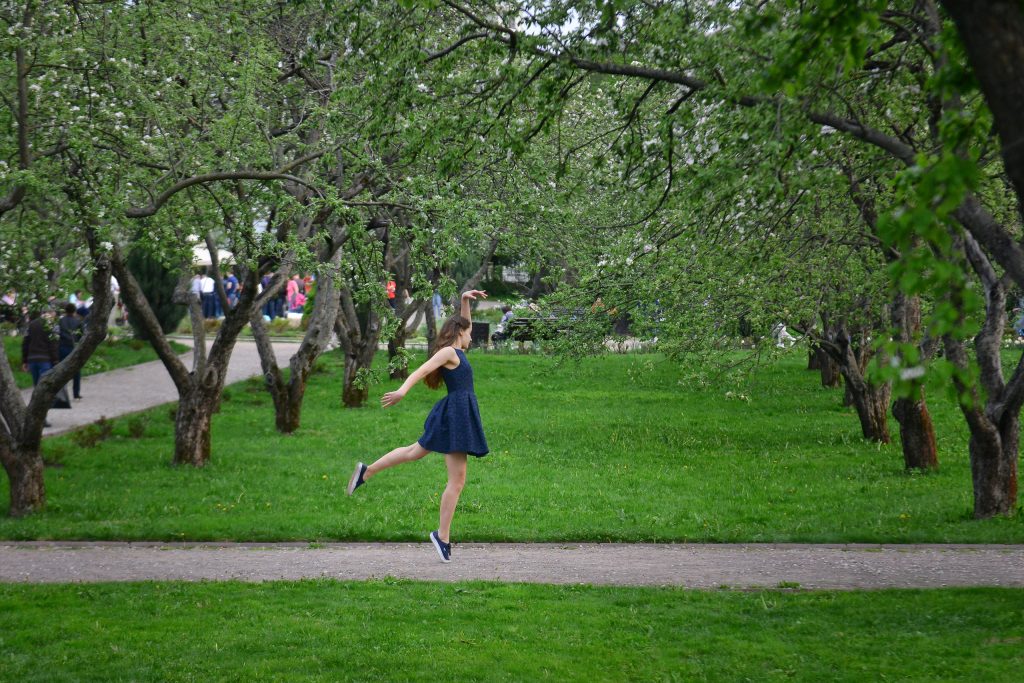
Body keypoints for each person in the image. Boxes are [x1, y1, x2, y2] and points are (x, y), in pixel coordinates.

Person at [347, 289, 490, 564]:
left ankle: (367, 471)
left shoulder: (458, 349)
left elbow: (465, 323)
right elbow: (422, 370)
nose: (471, 333)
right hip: (456, 416)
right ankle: (442, 536)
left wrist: (464, 299)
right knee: (457, 480)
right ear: (459, 332)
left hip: (456, 413)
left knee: (415, 452)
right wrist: (402, 390)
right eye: (467, 330)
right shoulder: (449, 352)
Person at [21, 308, 59, 427]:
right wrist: (55, 361)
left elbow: (25, 343)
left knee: (36, 389)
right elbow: (53, 344)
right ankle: (42, 419)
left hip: (33, 360)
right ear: (51, 313)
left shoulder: (31, 324)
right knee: (44, 391)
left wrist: (25, 360)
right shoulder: (51, 326)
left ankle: (32, 417)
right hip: (45, 360)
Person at [58, 303, 84, 400]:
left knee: (61, 371)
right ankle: (76, 394)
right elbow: (82, 335)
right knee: (76, 371)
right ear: (74, 311)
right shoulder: (78, 322)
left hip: (62, 347)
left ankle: (61, 393)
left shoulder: (60, 321)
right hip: (74, 347)